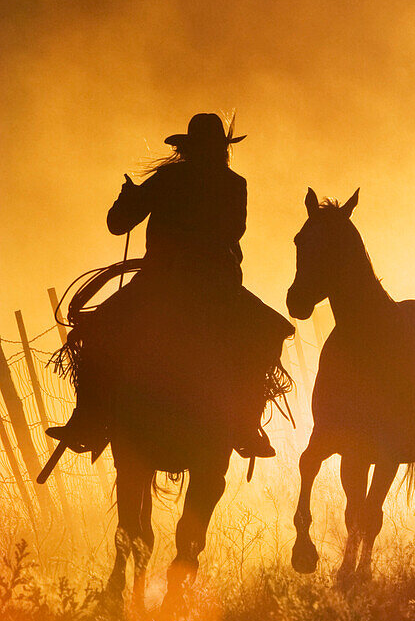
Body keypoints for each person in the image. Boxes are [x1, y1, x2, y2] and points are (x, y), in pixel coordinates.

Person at [47, 113, 292, 459]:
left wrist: (127, 198)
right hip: (218, 290)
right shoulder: (234, 183)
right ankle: (245, 424)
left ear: (186, 148)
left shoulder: (168, 179)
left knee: (97, 329)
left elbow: (118, 224)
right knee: (268, 334)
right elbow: (233, 233)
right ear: (221, 149)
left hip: (159, 285)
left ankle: (87, 419)